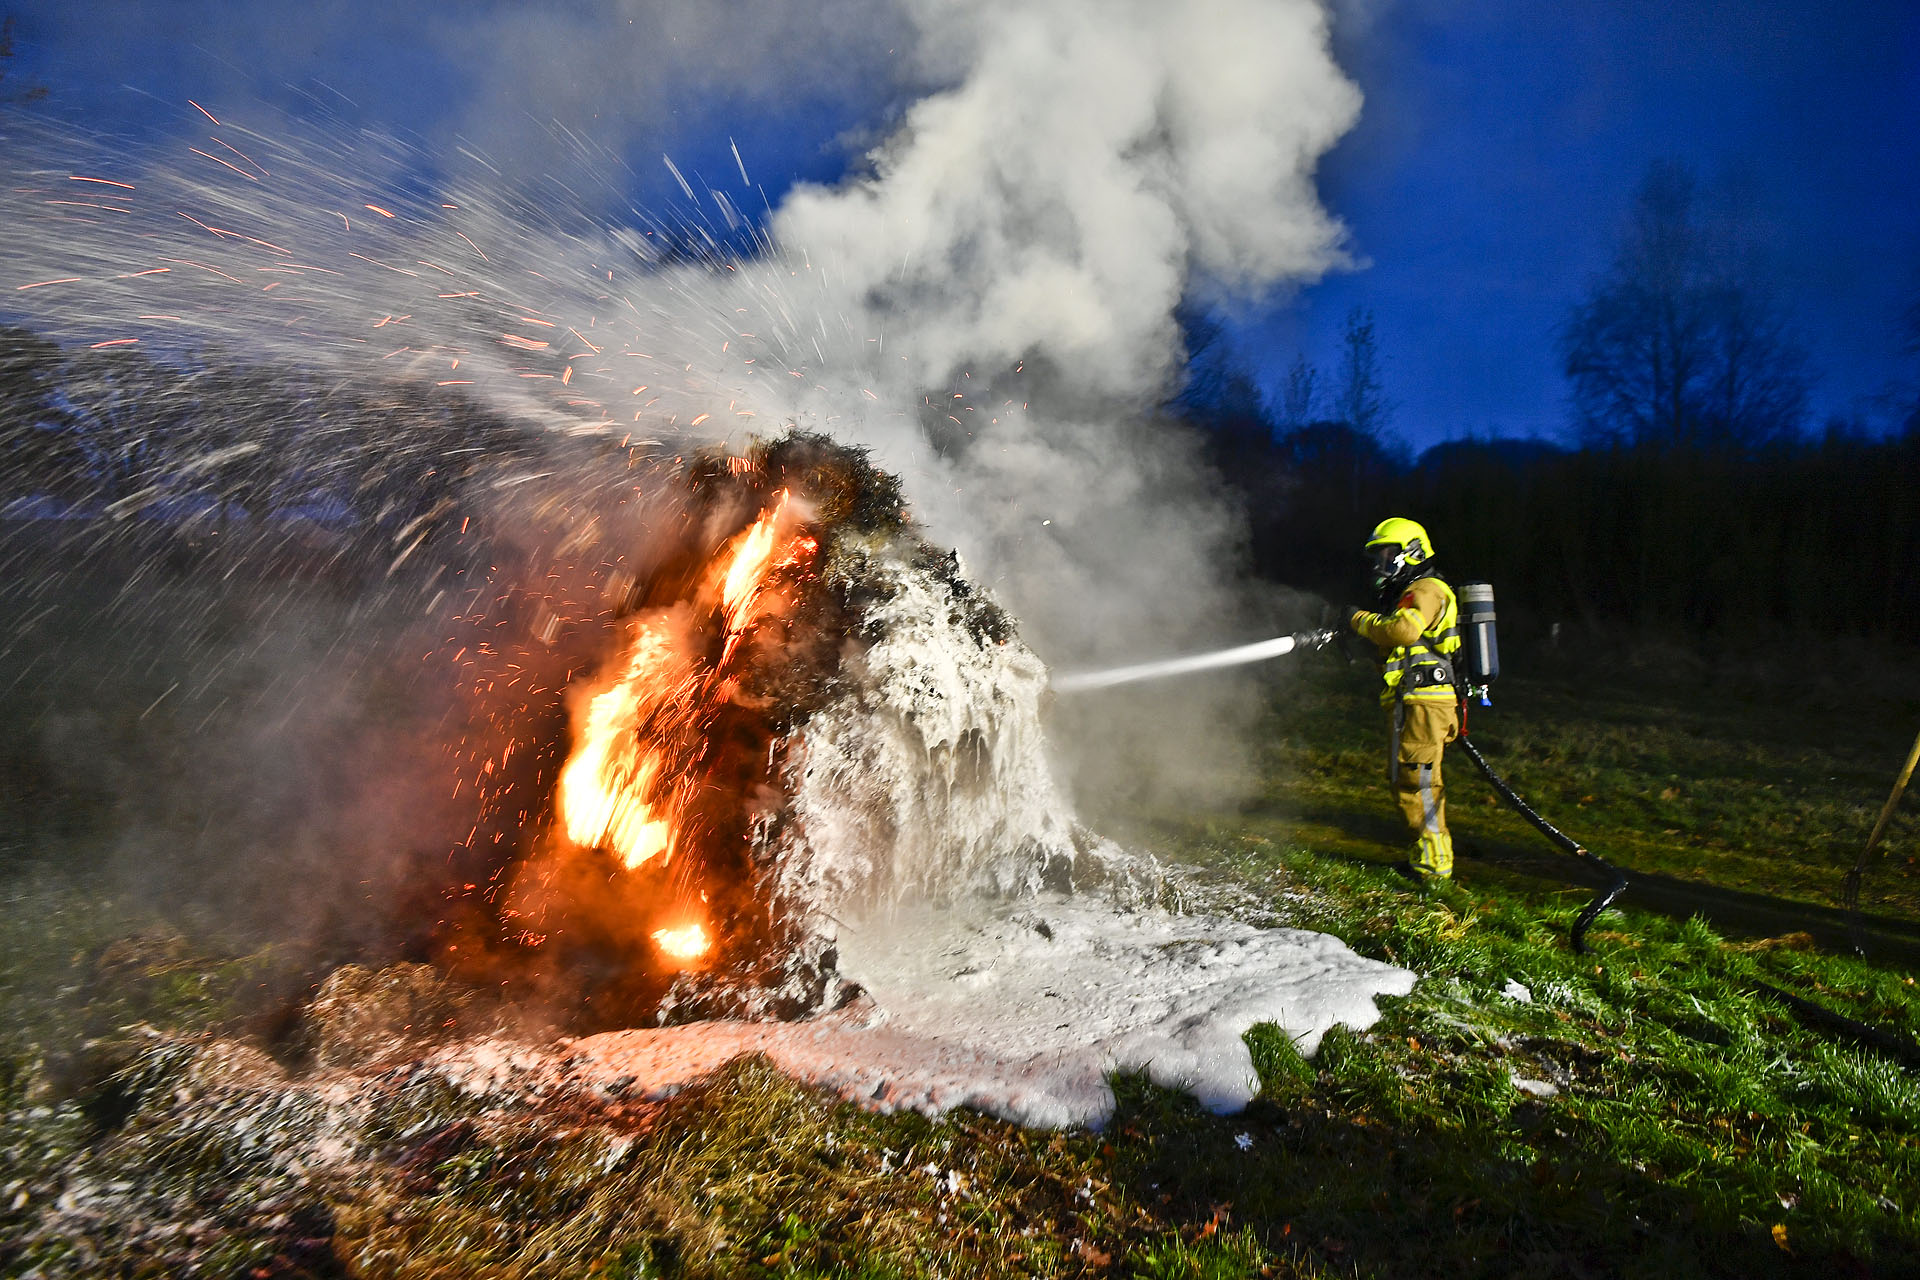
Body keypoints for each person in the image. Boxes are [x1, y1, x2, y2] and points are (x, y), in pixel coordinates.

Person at [1347, 517, 1461, 882]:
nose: (1380, 564)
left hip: (1425, 703)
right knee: (1408, 779)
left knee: (1418, 781)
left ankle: (1434, 867)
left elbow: (1404, 630)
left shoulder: (1425, 588)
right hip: (1416, 702)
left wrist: (1358, 621)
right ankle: (1426, 858)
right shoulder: (1413, 591)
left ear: (1412, 552)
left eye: (1386, 554)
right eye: (1377, 556)